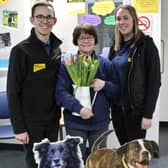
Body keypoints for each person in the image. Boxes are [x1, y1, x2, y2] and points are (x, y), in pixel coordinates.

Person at [7, 3, 62, 168]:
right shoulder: (20, 51)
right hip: (31, 123)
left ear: (54, 20)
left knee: (51, 163)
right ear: (32, 20)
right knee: (34, 163)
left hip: (52, 119)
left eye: (48, 17)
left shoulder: (56, 49)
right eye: (40, 16)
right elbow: (12, 91)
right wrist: (19, 128)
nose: (44, 21)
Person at [56, 24, 118, 162]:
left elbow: (117, 91)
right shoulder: (67, 64)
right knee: (76, 160)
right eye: (81, 37)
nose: (86, 41)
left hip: (99, 122)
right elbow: (60, 93)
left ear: (95, 40)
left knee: (100, 160)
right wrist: (79, 108)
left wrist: (105, 85)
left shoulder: (105, 64)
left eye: (89, 37)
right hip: (75, 123)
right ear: (76, 41)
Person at [108, 4, 161, 146]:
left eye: (126, 18)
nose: (122, 22)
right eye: (118, 19)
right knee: (125, 152)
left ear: (134, 20)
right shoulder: (115, 46)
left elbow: (154, 82)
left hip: (135, 112)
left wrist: (148, 114)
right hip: (118, 110)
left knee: (136, 156)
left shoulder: (146, 45)